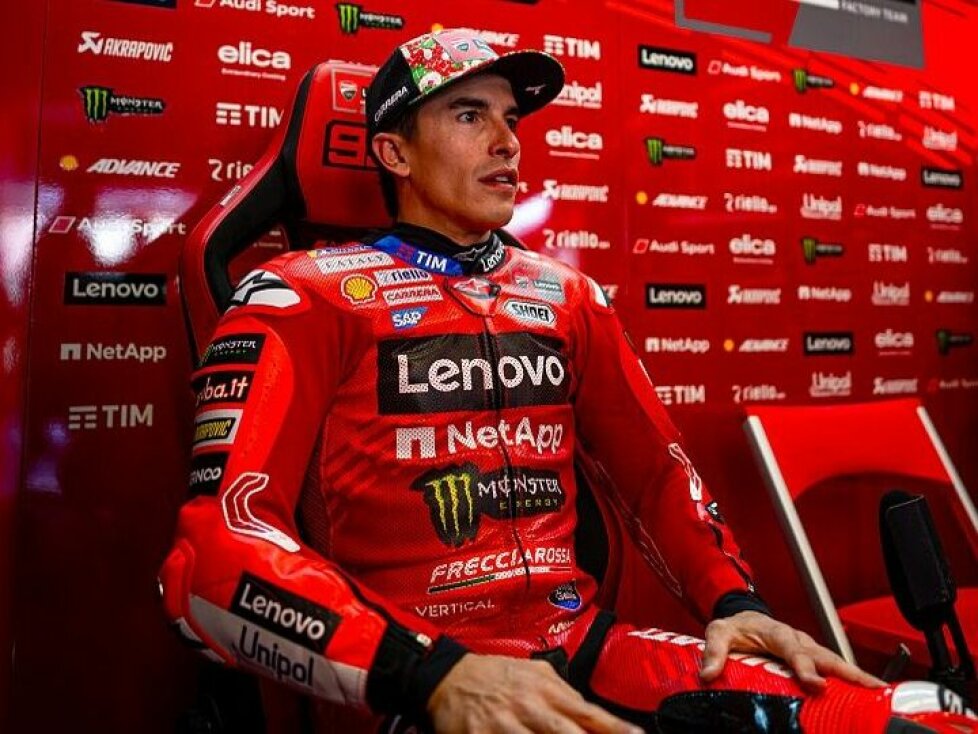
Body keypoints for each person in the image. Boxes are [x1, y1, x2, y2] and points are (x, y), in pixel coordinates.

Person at [160, 29, 976, 733]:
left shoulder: (567, 296)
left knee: (918, 714)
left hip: (585, 647)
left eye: (511, 120)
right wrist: (429, 674)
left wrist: (735, 603)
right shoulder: (302, 295)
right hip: (414, 681)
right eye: (470, 115)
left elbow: (655, 476)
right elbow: (213, 555)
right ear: (394, 153)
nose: (507, 142)